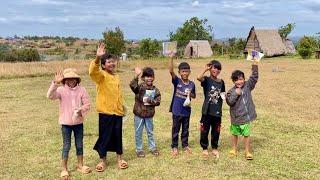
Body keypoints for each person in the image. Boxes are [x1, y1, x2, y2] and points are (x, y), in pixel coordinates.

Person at [89, 43, 128, 172]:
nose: (112, 64)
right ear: (104, 65)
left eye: (113, 62)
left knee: (118, 136)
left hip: (117, 112)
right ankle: (102, 161)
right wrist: (97, 58)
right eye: (109, 62)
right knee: (104, 137)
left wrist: (122, 107)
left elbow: (118, 93)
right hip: (105, 112)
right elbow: (92, 72)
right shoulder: (101, 75)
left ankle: (120, 159)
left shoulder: (116, 77)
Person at [47, 68, 91, 180]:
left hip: (78, 123)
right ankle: (64, 169)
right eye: (68, 79)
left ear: (77, 79)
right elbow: (50, 96)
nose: (71, 81)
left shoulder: (82, 90)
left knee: (79, 144)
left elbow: (87, 104)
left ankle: (80, 165)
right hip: (65, 124)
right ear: (64, 80)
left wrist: (81, 110)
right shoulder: (61, 90)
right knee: (66, 145)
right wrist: (55, 83)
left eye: (73, 79)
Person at [226, 59, 259, 160]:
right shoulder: (231, 91)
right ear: (233, 81)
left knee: (246, 134)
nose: (239, 81)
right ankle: (234, 149)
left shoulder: (247, 86)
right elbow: (229, 102)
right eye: (237, 80)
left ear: (244, 79)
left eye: (241, 79)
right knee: (234, 134)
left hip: (245, 117)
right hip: (236, 118)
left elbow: (254, 77)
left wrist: (255, 66)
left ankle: (247, 151)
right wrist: (236, 93)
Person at [129, 67, 161, 158]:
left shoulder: (155, 90)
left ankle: (152, 147)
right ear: (143, 78)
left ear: (153, 78)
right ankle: (139, 149)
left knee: (150, 132)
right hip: (139, 115)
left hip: (149, 115)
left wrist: (151, 101)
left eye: (151, 76)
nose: (149, 78)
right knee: (138, 132)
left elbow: (158, 101)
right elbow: (132, 85)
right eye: (147, 76)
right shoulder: (139, 88)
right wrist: (136, 75)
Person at [168, 52, 196, 156]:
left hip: (186, 110)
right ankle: (174, 146)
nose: (185, 73)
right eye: (183, 71)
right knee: (176, 129)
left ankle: (185, 145)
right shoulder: (177, 81)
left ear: (189, 72)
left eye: (187, 71)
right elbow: (171, 71)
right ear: (179, 72)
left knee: (185, 129)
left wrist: (190, 93)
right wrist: (171, 57)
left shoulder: (192, 84)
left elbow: (194, 96)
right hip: (177, 110)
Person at [197, 60, 225, 158]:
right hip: (207, 110)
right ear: (210, 68)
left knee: (216, 130)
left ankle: (214, 147)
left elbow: (223, 95)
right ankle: (204, 148)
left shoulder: (221, 82)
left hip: (217, 110)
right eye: (214, 68)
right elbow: (198, 78)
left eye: (218, 69)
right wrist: (206, 69)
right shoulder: (207, 80)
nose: (216, 70)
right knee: (204, 130)